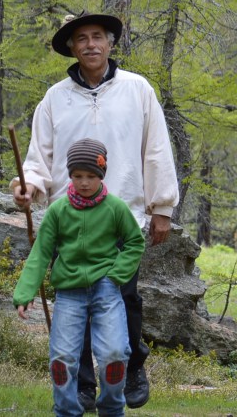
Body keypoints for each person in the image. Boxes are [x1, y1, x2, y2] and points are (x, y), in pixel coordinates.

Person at [13, 12, 179, 410]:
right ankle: (84, 384)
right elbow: (39, 157)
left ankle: (130, 367)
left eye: (97, 37)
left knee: (124, 297)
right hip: (70, 217)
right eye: (81, 39)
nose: (90, 45)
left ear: (110, 43)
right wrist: (28, 186)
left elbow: (155, 150)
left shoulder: (137, 90)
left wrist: (162, 208)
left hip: (123, 215)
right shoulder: (55, 98)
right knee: (75, 301)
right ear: (71, 47)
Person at [13, 138, 146, 417]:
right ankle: (66, 411)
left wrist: (115, 276)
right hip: (69, 294)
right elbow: (41, 252)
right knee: (62, 361)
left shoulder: (116, 208)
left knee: (114, 356)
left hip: (106, 291)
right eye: (77, 176)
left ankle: (111, 409)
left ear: (101, 175)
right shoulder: (58, 211)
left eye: (90, 176)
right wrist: (24, 292)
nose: (84, 183)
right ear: (70, 176)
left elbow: (135, 242)